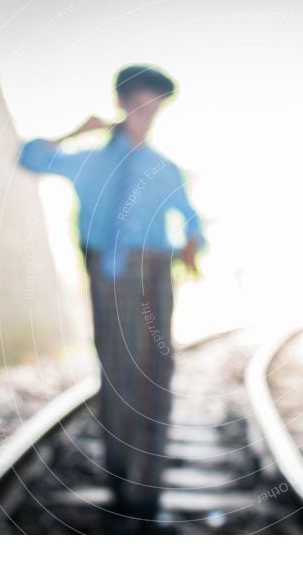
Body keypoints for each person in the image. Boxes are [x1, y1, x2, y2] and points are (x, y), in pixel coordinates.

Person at [17, 64, 205, 532]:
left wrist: (194, 245)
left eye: (155, 104)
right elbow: (29, 158)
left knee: (154, 377)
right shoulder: (89, 160)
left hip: (155, 275)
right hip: (106, 275)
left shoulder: (165, 169)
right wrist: (72, 132)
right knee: (117, 376)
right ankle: (122, 479)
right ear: (121, 103)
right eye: (140, 101)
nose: (148, 112)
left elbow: (193, 222)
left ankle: (145, 490)